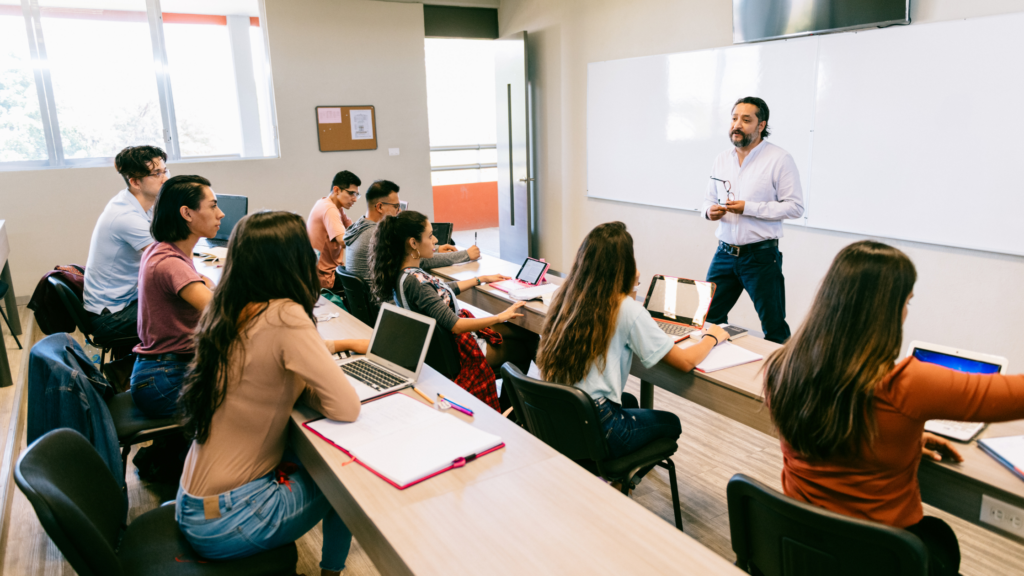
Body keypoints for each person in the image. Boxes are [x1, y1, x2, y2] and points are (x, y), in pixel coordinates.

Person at [763, 240, 1024, 576]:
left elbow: (839, 429)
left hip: (804, 549)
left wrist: (906, 437)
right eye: (907, 302)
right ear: (886, 310)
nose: (905, 312)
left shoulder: (781, 367)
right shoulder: (908, 385)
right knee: (938, 539)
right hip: (880, 561)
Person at [176, 211, 368, 576]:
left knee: (309, 454)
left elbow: (269, 365)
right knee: (345, 482)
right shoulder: (286, 315)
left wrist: (300, 382)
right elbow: (346, 407)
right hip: (231, 518)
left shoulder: (226, 308)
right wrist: (308, 389)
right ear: (294, 259)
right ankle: (332, 573)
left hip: (194, 502)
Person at [536, 222, 729, 459]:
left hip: (559, 412)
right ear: (624, 264)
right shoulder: (625, 309)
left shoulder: (565, 294)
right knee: (671, 424)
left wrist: (631, 286)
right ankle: (617, 481)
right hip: (598, 422)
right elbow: (686, 361)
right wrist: (712, 337)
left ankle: (609, 471)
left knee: (630, 400)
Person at [368, 211, 536, 412]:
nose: (435, 240)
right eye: (430, 236)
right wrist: (501, 315)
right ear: (413, 243)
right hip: (458, 352)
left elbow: (441, 292)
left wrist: (480, 279)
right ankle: (511, 410)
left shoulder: (404, 274)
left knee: (523, 333)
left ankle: (512, 409)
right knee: (527, 344)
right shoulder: (417, 283)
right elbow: (456, 325)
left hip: (441, 348)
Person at [701, 96, 804, 344]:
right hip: (724, 254)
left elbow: (795, 207)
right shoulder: (722, 159)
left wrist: (749, 208)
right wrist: (708, 212)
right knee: (707, 319)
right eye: (734, 118)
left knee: (774, 327)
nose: (737, 124)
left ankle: (780, 380)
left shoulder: (779, 159)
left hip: (760, 257)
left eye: (746, 120)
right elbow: (707, 200)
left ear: (761, 125)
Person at [130, 175, 222, 419]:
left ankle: (166, 453)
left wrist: (205, 283)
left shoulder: (162, 249)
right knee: (259, 396)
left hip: (158, 371)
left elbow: (203, 283)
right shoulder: (171, 263)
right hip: (166, 380)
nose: (221, 214)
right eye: (213, 206)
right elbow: (224, 313)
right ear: (187, 213)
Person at [83, 145, 168, 345]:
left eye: (165, 171)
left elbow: (167, 241)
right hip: (110, 317)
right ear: (135, 182)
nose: (165, 178)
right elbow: (165, 261)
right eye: (157, 173)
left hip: (126, 300)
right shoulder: (126, 216)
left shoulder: (139, 204)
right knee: (189, 313)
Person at [343, 179, 480, 281]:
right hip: (387, 305)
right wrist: (465, 255)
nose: (399, 211)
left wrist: (436, 248)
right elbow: (418, 260)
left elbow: (408, 253)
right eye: (396, 206)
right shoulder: (376, 236)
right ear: (379, 207)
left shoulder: (359, 226)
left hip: (372, 306)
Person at [307, 170, 359, 292]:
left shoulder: (331, 204)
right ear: (336, 190)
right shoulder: (329, 209)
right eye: (351, 193)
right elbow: (344, 241)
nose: (355, 199)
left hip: (324, 272)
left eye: (356, 194)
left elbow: (352, 229)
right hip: (325, 278)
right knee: (368, 282)